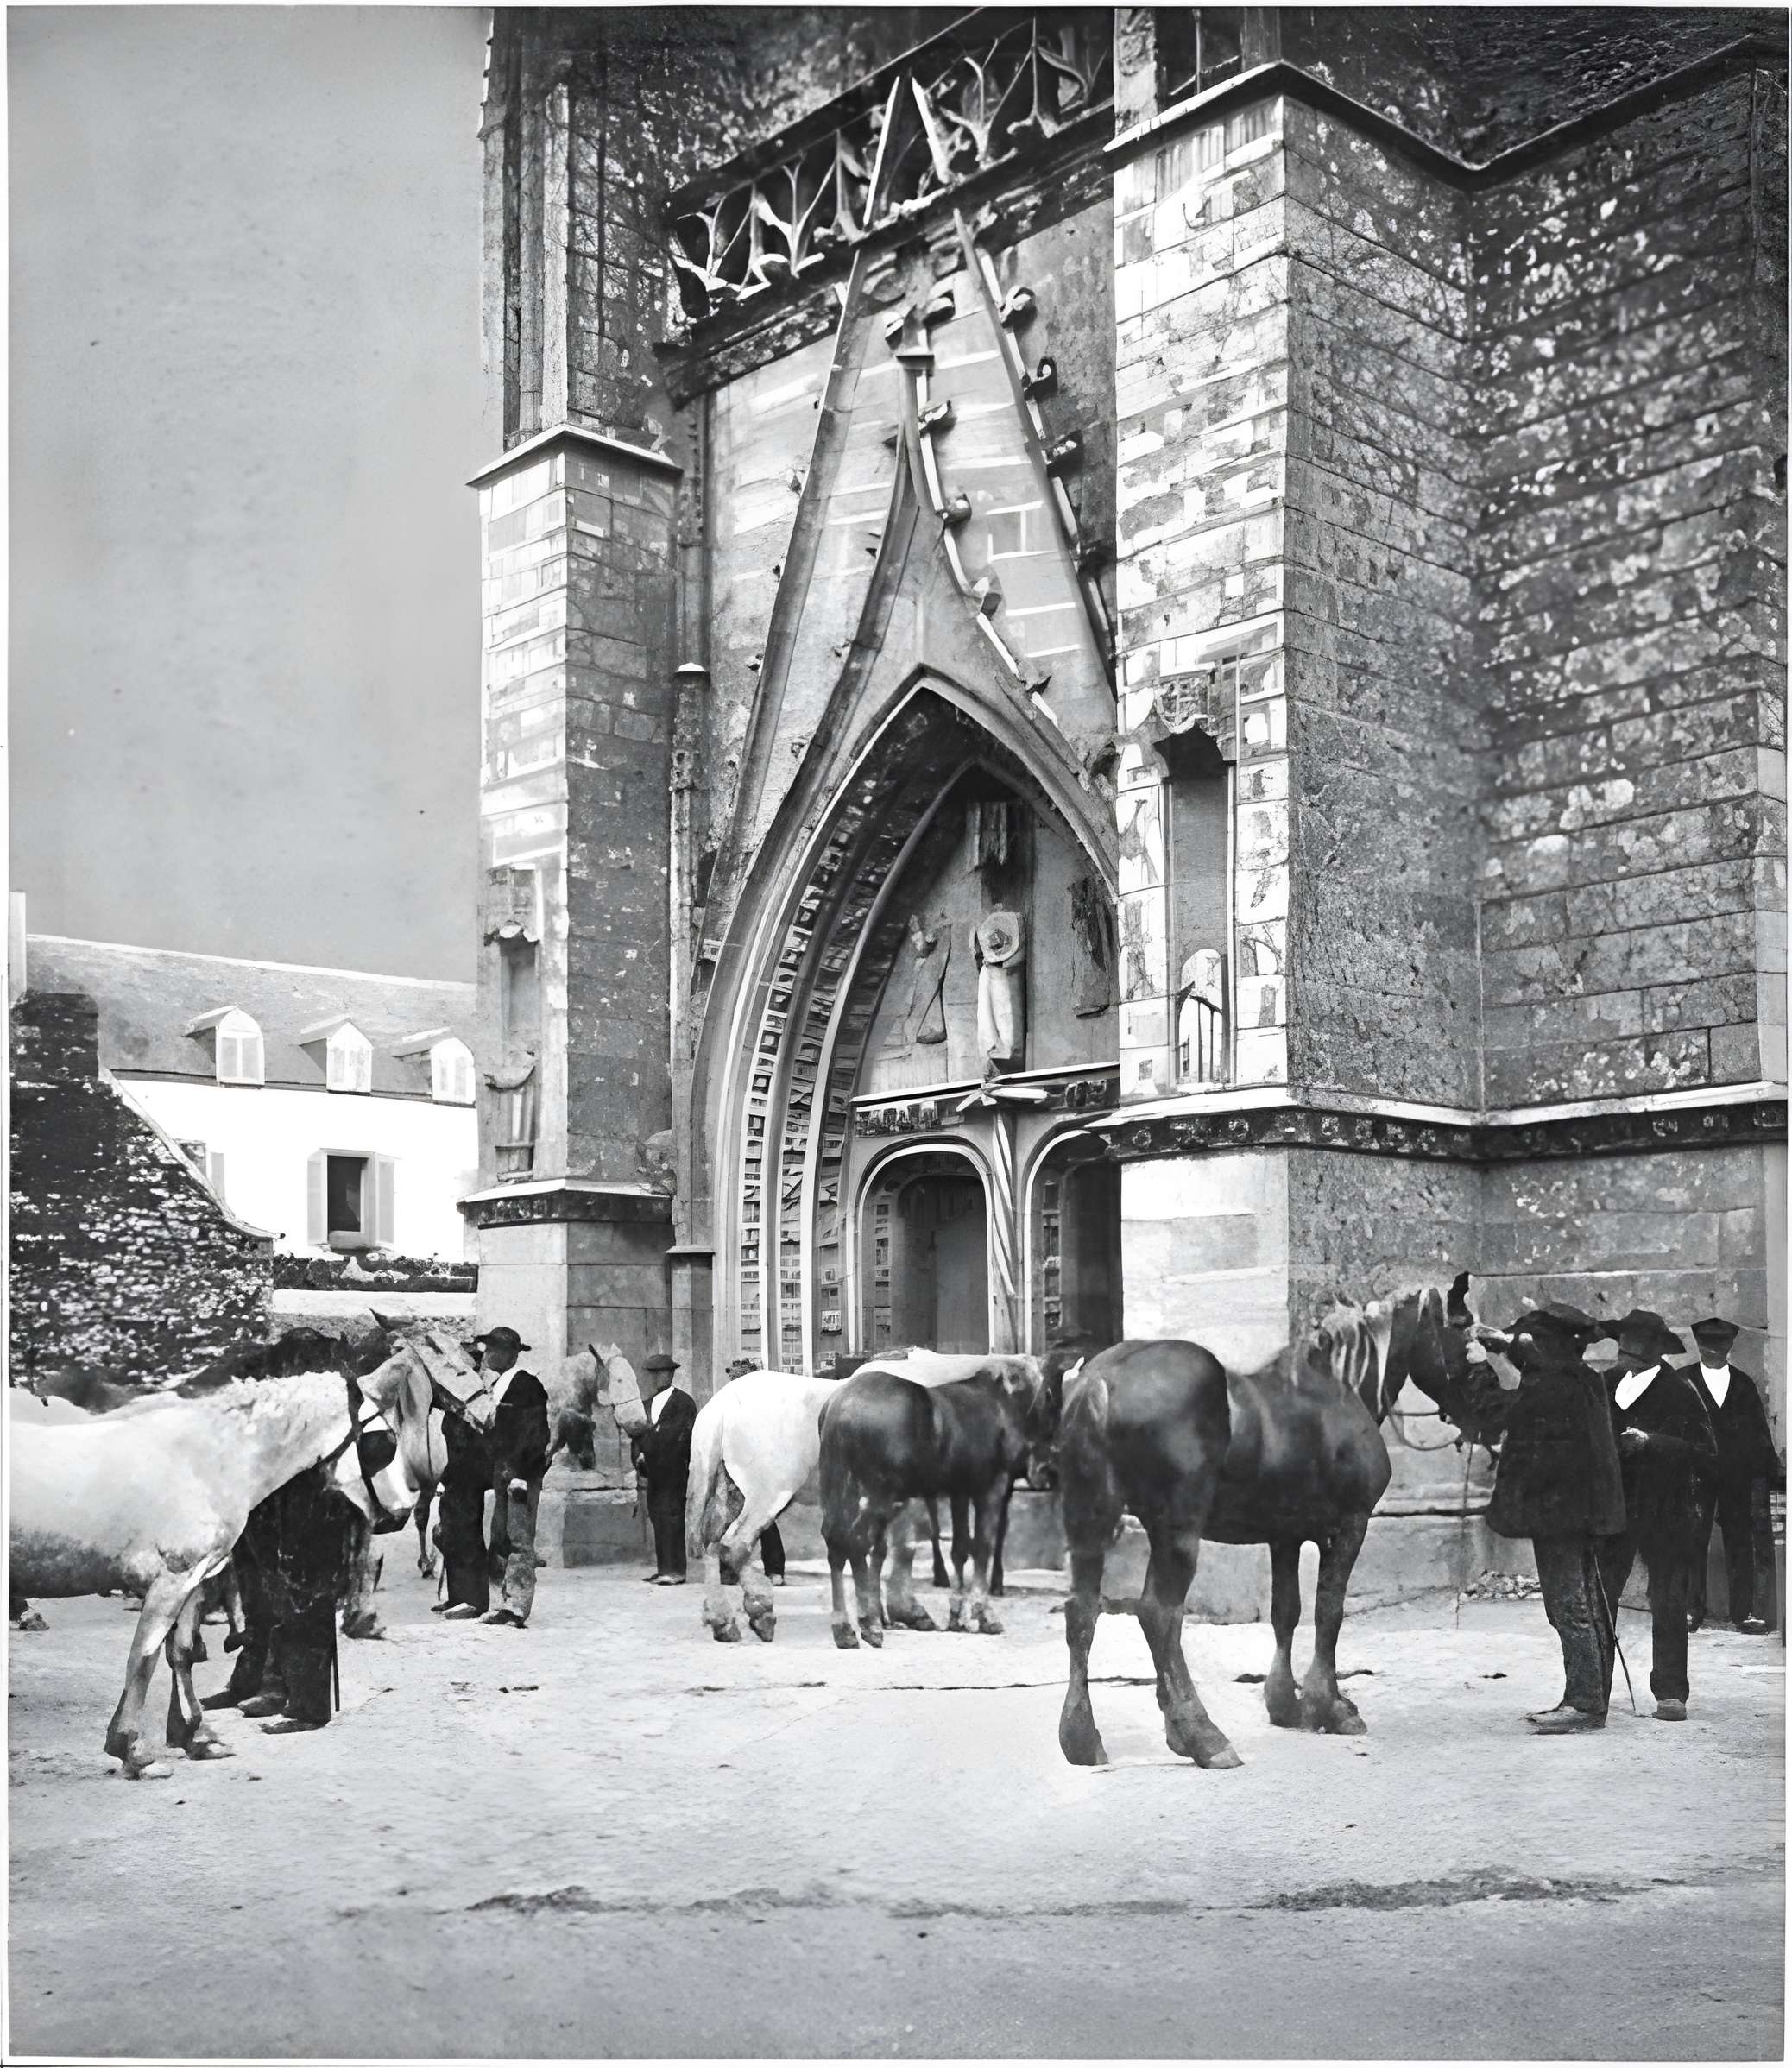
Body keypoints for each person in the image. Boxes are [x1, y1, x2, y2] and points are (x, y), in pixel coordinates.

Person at [1457, 1302, 1626, 1733]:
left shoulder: (1551, 1385)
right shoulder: (1579, 1377)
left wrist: (1479, 1364)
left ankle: (1585, 1705)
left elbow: (1495, 1413)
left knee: (1569, 1608)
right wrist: (1504, 1344)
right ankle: (1590, 1699)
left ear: (1548, 1347)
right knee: (1588, 1605)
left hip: (1561, 1517)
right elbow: (1531, 1359)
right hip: (1584, 1515)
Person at [1593, 1309, 1717, 1723]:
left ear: (1654, 1352)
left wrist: (1651, 1443)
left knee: (1667, 1598)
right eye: (1621, 1346)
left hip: (1666, 1510)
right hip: (1615, 1508)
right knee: (1601, 1595)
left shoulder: (1679, 1392)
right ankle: (1594, 1688)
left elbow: (1705, 1454)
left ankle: (1670, 1692)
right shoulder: (1607, 1385)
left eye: (1631, 1350)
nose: (1621, 1356)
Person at [202, 1463, 352, 1733]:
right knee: (254, 1585)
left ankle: (298, 1699)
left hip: (300, 1475)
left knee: (298, 1587)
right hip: (257, 1477)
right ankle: (249, 1681)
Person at [1685, 1315, 1783, 1636]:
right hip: (1694, 1476)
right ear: (1698, 1345)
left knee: (1740, 1541)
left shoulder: (1742, 1383)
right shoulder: (1682, 1381)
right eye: (1707, 1344)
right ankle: (1690, 1610)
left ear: (1730, 1346)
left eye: (1720, 1344)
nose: (1713, 1350)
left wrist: (1771, 1470)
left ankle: (1744, 1612)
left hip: (1736, 1476)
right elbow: (1668, 1426)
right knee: (1692, 1540)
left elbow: (1758, 1432)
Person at [476, 1327, 551, 1629]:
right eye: (488, 1348)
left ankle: (518, 1607)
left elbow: (536, 1434)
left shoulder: (527, 1386)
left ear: (511, 1354)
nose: (488, 1355)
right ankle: (500, 1604)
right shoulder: (498, 1385)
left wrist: (521, 1475)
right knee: (500, 1537)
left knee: (519, 1540)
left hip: (520, 1476)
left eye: (493, 1349)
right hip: (503, 1473)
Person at [632, 1352, 695, 1584]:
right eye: (657, 1373)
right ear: (651, 1376)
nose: (662, 1377)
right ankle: (664, 1568)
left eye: (667, 1372)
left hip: (674, 1471)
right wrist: (639, 1454)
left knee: (672, 1517)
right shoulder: (647, 1404)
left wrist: (649, 1443)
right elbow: (638, 1436)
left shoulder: (683, 1402)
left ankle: (676, 1571)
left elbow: (677, 1436)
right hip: (653, 1472)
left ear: (672, 1374)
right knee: (658, 1517)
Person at [723, 1353, 785, 1585]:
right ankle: (735, 1567)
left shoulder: (766, 1408)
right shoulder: (729, 1407)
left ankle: (775, 1569)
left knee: (764, 1520)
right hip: (736, 1470)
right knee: (736, 1520)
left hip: (760, 1471)